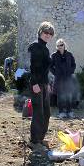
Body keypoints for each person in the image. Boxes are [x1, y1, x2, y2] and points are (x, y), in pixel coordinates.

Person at [28, 22, 54, 150]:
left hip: (43, 84)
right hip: (36, 84)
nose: (48, 35)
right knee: (38, 113)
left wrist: (47, 84)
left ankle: (40, 139)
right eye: (45, 32)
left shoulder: (45, 48)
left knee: (47, 113)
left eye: (50, 33)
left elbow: (45, 70)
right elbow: (34, 68)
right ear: (40, 32)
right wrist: (34, 84)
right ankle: (34, 141)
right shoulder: (36, 47)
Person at [50, 38, 77, 119]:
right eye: (58, 45)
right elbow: (50, 66)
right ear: (56, 47)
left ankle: (69, 111)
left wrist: (71, 71)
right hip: (59, 79)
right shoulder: (54, 55)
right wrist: (55, 73)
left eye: (61, 45)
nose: (60, 47)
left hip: (68, 78)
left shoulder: (69, 54)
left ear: (64, 45)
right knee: (60, 95)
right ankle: (61, 112)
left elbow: (73, 64)